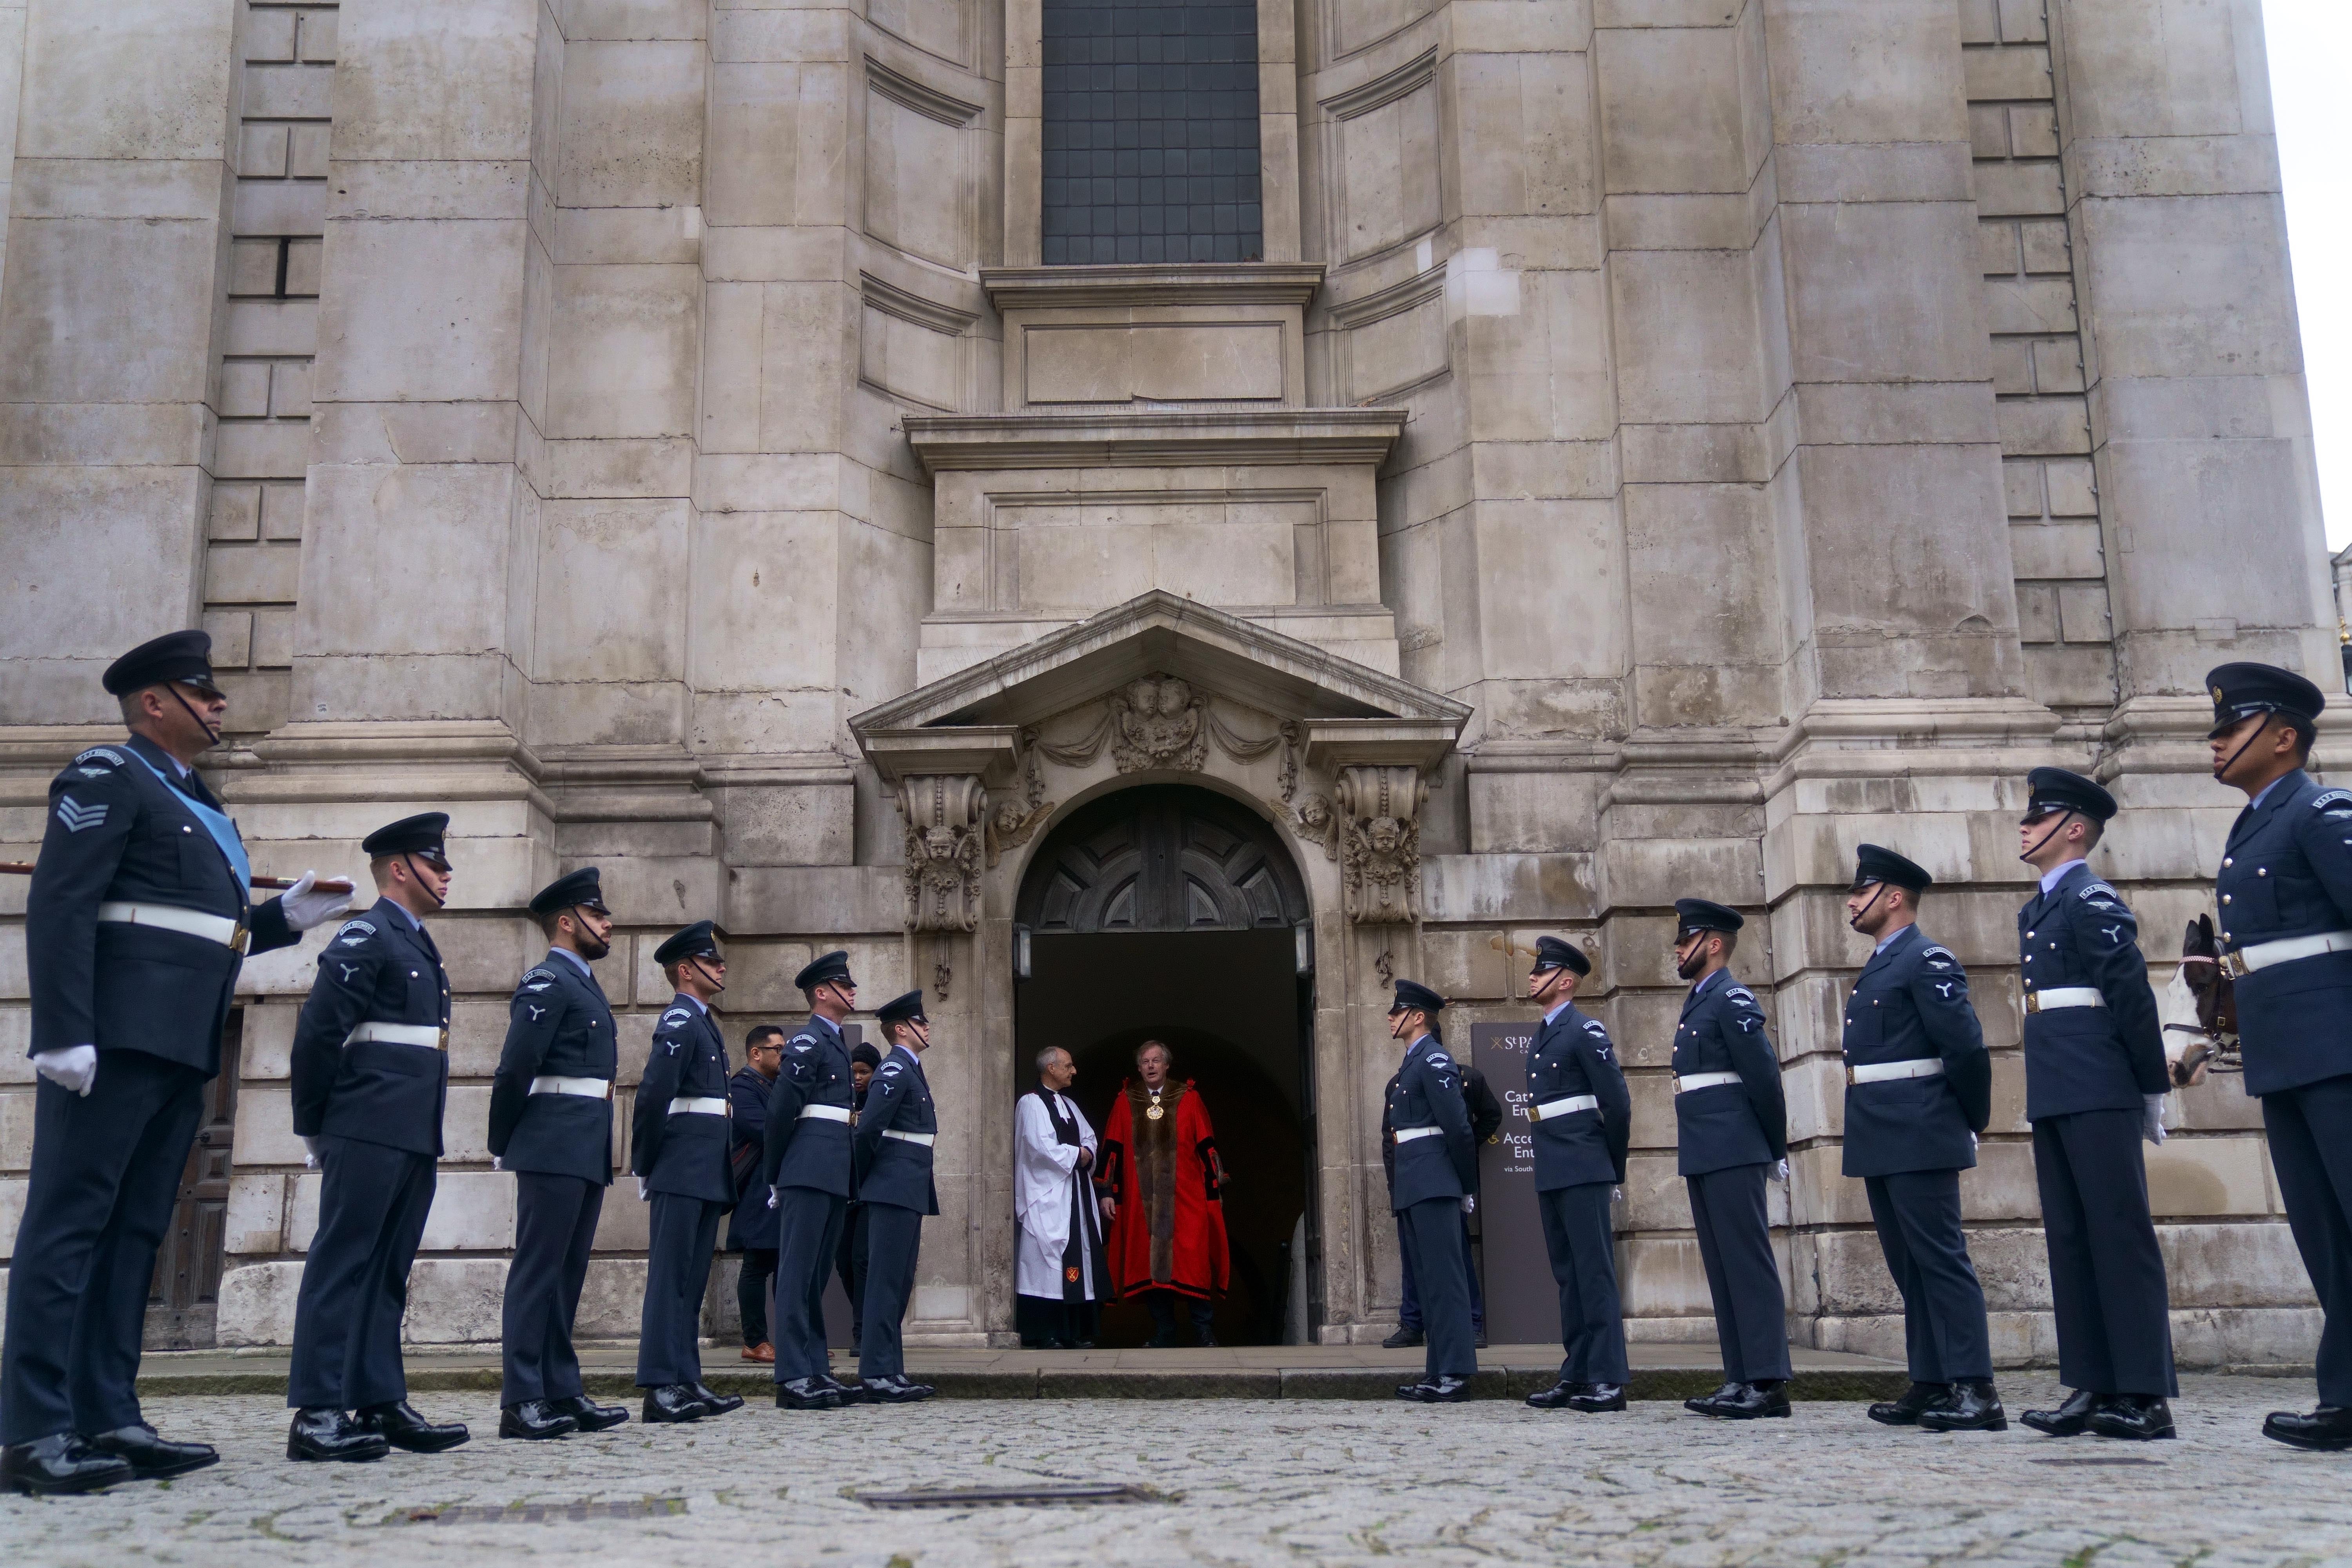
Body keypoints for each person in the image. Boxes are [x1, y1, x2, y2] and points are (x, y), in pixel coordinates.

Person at [1, 630, 351, 1496]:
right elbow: (62, 899)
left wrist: (282, 920)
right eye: (203, 689)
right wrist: (62, 1028)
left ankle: (107, 1412)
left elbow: (201, 929)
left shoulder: (199, 800)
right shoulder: (106, 775)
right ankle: (30, 1428)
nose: (221, 702)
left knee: (133, 1236)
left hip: (178, 1041)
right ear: (154, 702)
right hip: (113, 1038)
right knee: (68, 1225)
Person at [283, 812, 468, 1462]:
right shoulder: (368, 933)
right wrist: (314, 1126)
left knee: (387, 1271)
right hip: (363, 1127)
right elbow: (316, 1037)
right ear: (399, 869)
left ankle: (378, 1399)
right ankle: (317, 1410)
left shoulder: (415, 942)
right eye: (435, 863)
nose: (447, 874)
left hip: (410, 1131)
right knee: (342, 1264)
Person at [2203, 662, 2352, 1451]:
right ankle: (2348, 1393)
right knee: (2326, 1231)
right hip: (2286, 1051)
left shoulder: (2321, 810)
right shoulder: (2255, 822)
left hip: (2338, 1044)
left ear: (2284, 736)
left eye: (2232, 727)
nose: (2217, 741)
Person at [2012, 767, 2178, 1441]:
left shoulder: (2091, 899)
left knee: (2118, 1235)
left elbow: (2132, 1000)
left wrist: (2149, 1089)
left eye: (2038, 817)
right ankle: (2093, 1384)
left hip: (2100, 1083)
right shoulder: (2040, 906)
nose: (2024, 827)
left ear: (2073, 828)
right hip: (2057, 1084)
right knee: (2072, 1238)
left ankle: (2143, 1393)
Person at [1840, 846, 2003, 1434]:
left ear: (1894, 897)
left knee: (1940, 1259)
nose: (1852, 903)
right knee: (1909, 1266)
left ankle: (1976, 1387)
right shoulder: (1883, 964)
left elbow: (1964, 1047)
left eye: (1862, 892)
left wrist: (1970, 1120)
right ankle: (1932, 1380)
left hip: (1920, 1126)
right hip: (1882, 1129)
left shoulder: (1925, 959)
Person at [487, 866, 629, 1441]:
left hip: (582, 1140)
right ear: (567, 923)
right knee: (538, 1271)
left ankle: (560, 1388)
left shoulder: (582, 984)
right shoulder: (547, 982)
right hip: (551, 1140)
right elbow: (515, 1067)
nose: (609, 924)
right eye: (598, 916)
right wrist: (503, 1141)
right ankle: (522, 1399)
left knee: (566, 1274)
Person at [1670, 897, 1792, 1419]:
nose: (1677, 949)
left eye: (1686, 940)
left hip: (1735, 1146)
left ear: (1712, 944)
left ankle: (1767, 1382)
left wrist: (1774, 1148)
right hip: (1705, 1146)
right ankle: (1740, 1375)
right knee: (1722, 1269)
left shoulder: (1731, 998)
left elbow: (1764, 1078)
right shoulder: (1700, 1000)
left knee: (1746, 1263)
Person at [630, 921, 745, 1425]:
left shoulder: (703, 1021)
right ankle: (659, 1384)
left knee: (692, 1279)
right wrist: (645, 1163)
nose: (721, 966)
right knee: (670, 1279)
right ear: (685, 970)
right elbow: (654, 1094)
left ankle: (685, 1376)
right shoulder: (680, 1019)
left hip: (702, 1168)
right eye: (710, 960)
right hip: (679, 1166)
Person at [1519, 935, 1632, 1414]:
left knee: (1596, 1273)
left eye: (1541, 971)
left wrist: (1612, 1169)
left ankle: (1609, 1377)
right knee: (1568, 1275)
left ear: (1565, 981)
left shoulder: (1584, 1031)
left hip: (1584, 1164)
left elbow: (1618, 1103)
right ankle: (1578, 1370)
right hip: (1553, 1164)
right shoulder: (1545, 1033)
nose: (1532, 977)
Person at [764, 950, 860, 1410]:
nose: (854, 990)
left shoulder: (835, 1041)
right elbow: (781, 1110)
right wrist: (776, 1173)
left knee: (816, 1276)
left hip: (831, 1167)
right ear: (822, 993)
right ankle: (792, 1376)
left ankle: (815, 1366)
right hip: (806, 1166)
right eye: (845, 984)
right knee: (797, 1273)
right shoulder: (807, 1042)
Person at [1097, 1041, 1230, 1347]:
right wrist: (1106, 1191)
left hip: (1186, 1199)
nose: (1151, 1066)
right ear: (1139, 1068)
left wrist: (1214, 1194)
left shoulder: (1188, 1098)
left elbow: (1206, 1145)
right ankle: (1164, 1331)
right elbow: (1112, 1148)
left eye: (1157, 1060)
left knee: (1192, 1263)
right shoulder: (1125, 1101)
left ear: (1167, 1065)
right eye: (1145, 1062)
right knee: (1149, 1268)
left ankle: (1204, 1330)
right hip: (1139, 1201)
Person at [1385, 979, 1478, 1402]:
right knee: (1428, 1281)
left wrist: (1465, 1185)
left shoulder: (1434, 1059)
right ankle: (1438, 1369)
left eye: (1397, 1010)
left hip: (1435, 1179)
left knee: (1446, 1280)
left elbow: (1458, 1127)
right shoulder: (1412, 1063)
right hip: (1415, 1179)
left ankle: (1456, 1371)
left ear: (1417, 1016)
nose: (1390, 1017)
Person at [851, 991, 940, 1401]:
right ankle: (875, 1372)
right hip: (892, 1184)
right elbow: (869, 1130)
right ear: (902, 1029)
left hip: (908, 1184)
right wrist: (868, 1180)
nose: (928, 1028)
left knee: (899, 1283)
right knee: (885, 1282)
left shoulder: (911, 1068)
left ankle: (891, 1369)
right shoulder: (894, 1069)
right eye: (921, 1023)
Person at [1383, 1064, 1501, 1350]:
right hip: (1410, 1180)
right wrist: (1395, 1186)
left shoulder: (1467, 1077)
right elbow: (1391, 1137)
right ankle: (1413, 1322)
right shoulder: (1397, 1082)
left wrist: (1465, 1158)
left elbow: (1487, 1117)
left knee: (1456, 1254)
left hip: (1444, 1179)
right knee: (1413, 1258)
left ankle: (1471, 1324)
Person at [1015, 1047, 1108, 1348]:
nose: (1074, 1071)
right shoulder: (1030, 1104)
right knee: (1045, 1263)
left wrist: (1087, 1153)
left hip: (1075, 1192)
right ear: (1051, 1068)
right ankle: (1045, 1332)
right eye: (1068, 1066)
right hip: (1048, 1194)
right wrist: (1077, 1154)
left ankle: (1075, 1331)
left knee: (1079, 1256)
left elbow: (1090, 1137)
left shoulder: (1068, 1103)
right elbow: (1038, 1147)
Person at [728, 1024, 786, 1363]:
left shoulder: (775, 1085)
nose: (783, 1054)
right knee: (756, 1264)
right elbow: (764, 1129)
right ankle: (755, 1341)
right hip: (756, 1189)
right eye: (777, 1049)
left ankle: (791, 1339)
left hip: (775, 1185)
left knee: (784, 1264)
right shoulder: (743, 1086)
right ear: (756, 1053)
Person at [837, 1039, 884, 1347]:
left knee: (861, 1261)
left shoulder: (881, 1103)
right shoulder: (841, 1101)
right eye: (853, 1072)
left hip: (869, 1191)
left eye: (864, 1072)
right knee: (842, 1263)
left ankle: (864, 1335)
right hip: (844, 1192)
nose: (857, 1078)